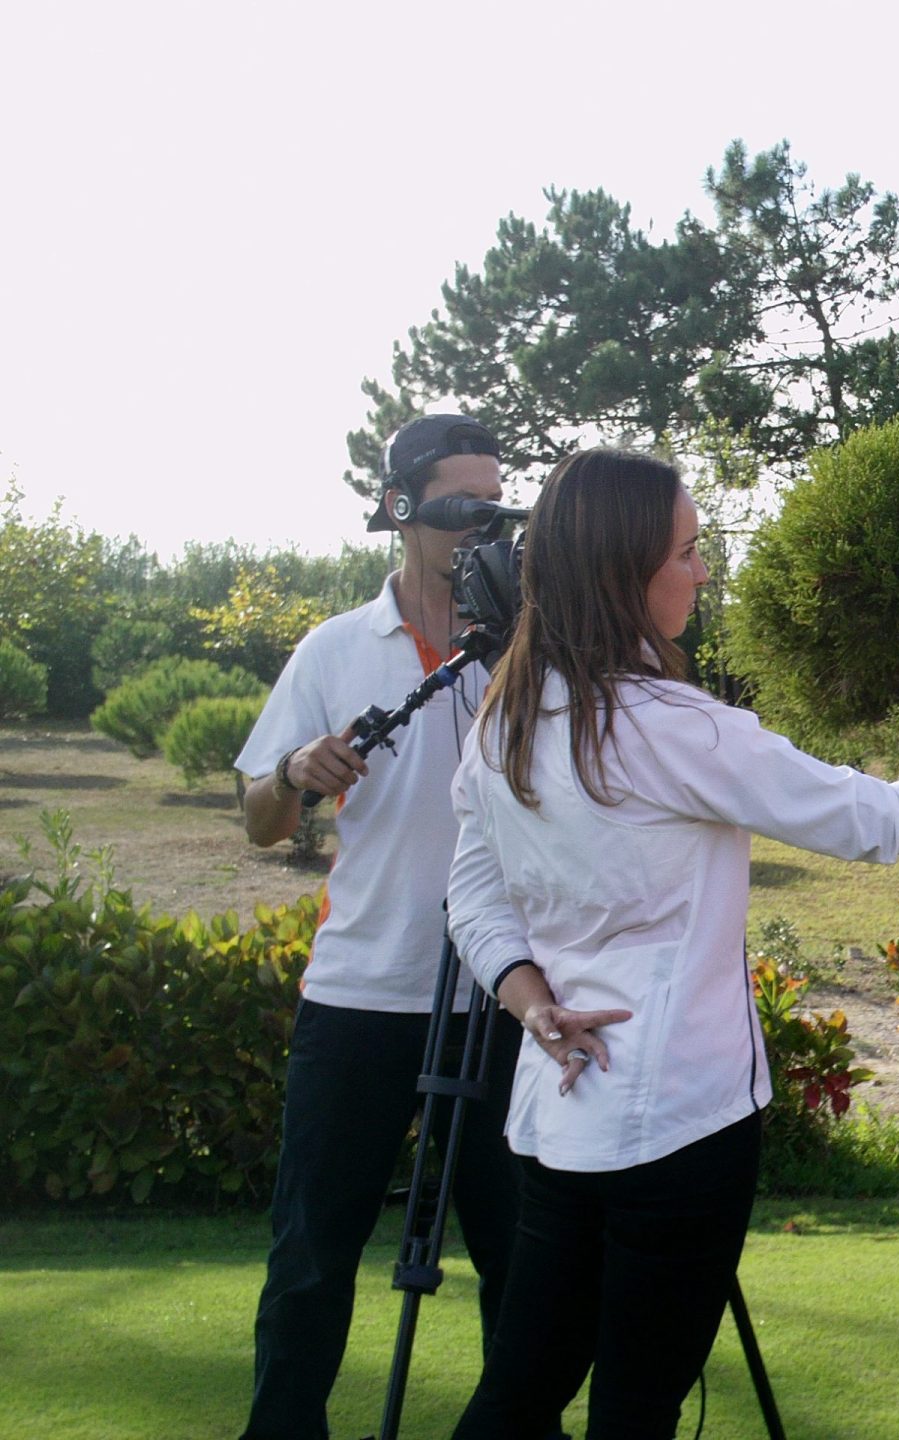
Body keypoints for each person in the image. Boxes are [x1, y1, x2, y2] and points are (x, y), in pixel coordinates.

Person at [442, 447, 899, 1439]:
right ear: (622, 568)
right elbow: (876, 818)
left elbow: (472, 899)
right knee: (636, 1409)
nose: (701, 572)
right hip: (679, 1124)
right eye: (686, 552)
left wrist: (529, 1000)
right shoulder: (667, 726)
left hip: (557, 1122)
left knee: (516, 1398)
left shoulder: (506, 720)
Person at [233, 415, 536, 1440]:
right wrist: (290, 774)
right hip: (361, 995)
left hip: (504, 995)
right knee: (312, 1253)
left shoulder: (537, 649)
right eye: (462, 506)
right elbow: (260, 823)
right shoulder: (331, 649)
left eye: (498, 505)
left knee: (520, 1253)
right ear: (402, 512)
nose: (482, 527)